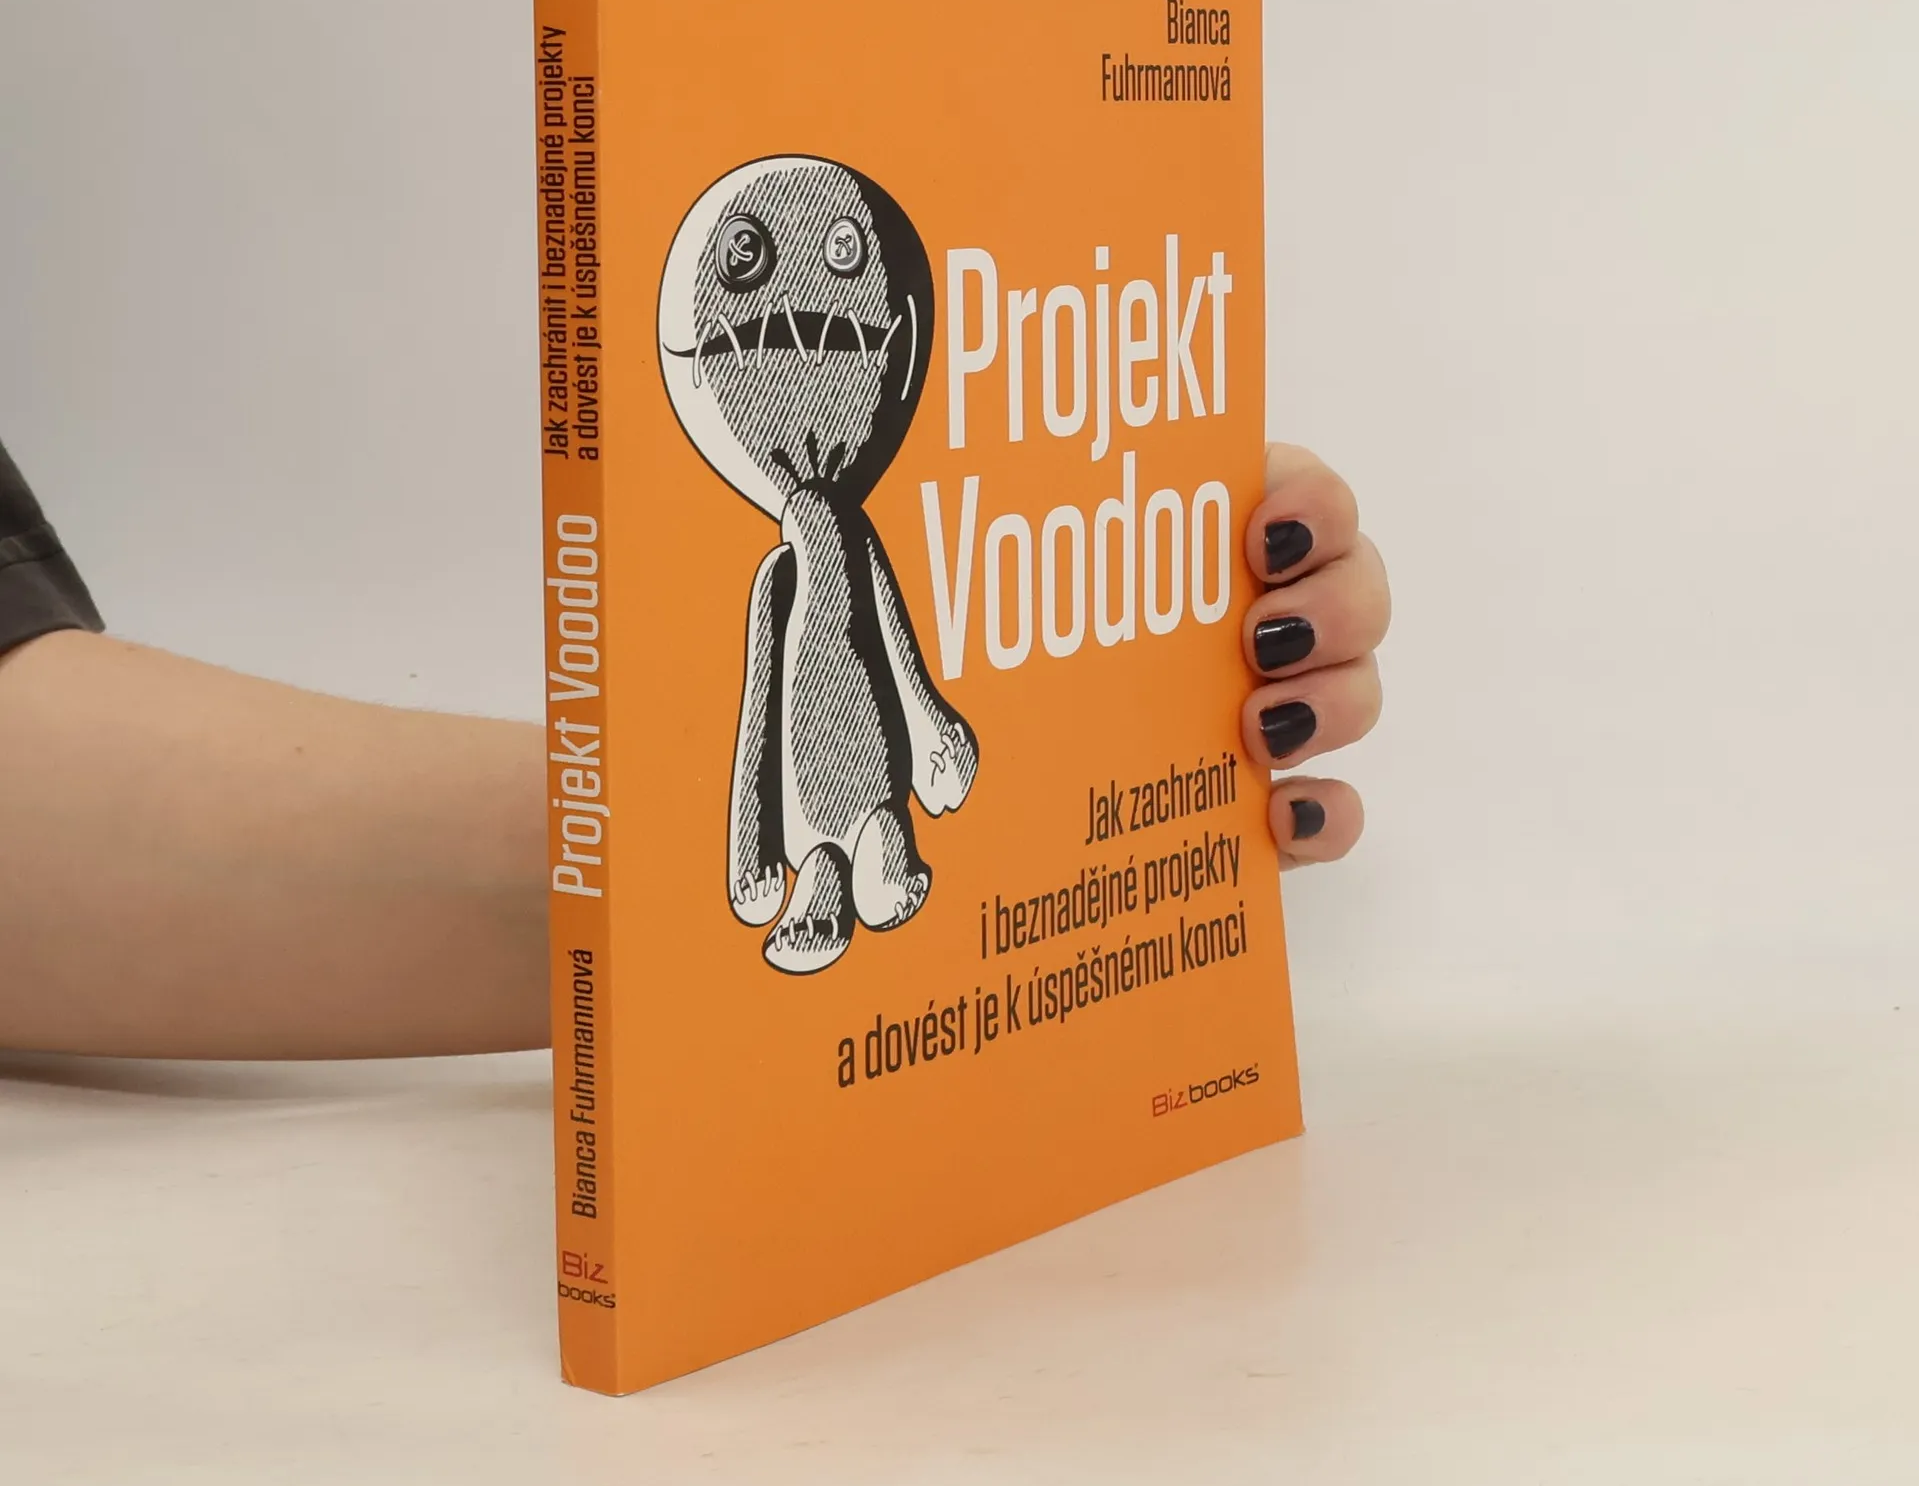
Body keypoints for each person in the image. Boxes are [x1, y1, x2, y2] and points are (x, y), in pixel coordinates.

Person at [0, 436, 1387, 1059]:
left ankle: (873, 867)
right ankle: (844, 878)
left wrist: (1060, 766)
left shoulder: (845, 548)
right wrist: (734, 865)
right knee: (842, 861)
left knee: (879, 849)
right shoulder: (787, 570)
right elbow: (767, 712)